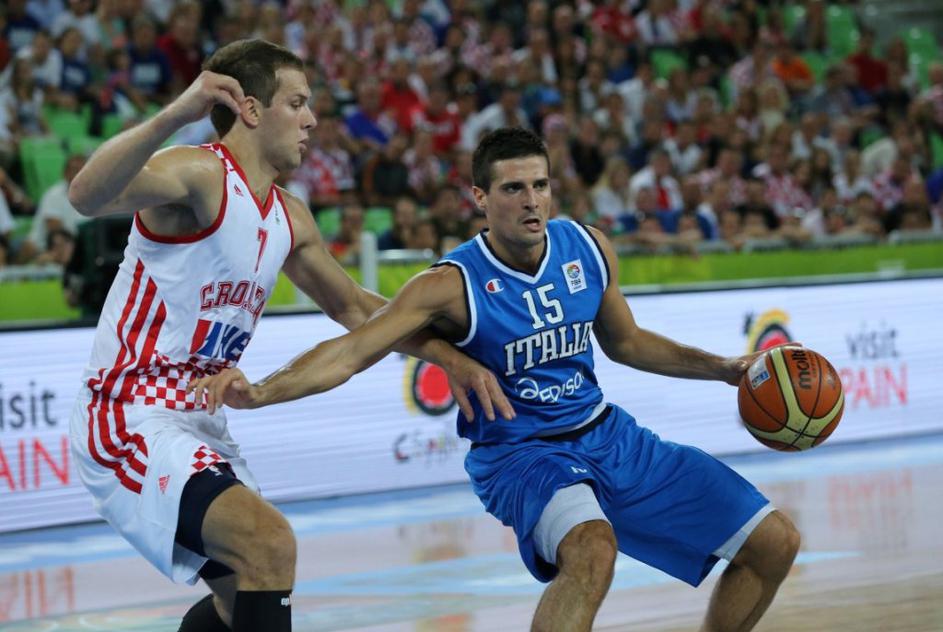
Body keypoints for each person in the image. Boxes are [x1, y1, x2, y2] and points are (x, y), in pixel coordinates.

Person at [189, 127, 801, 632]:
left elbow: (628, 342)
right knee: (592, 549)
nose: (532, 201)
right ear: (480, 197)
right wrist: (262, 390)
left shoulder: (588, 247)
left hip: (606, 434)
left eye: (541, 185)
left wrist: (724, 368)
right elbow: (352, 349)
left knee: (774, 542)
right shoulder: (447, 284)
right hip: (519, 453)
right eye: (513, 188)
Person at [65, 39, 511, 632]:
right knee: (269, 543)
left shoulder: (289, 215)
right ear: (251, 109)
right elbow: (85, 196)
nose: (312, 119)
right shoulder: (199, 173)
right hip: (130, 409)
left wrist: (446, 356)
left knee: (246, 590)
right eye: (297, 103)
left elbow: (354, 306)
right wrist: (176, 114)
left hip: (201, 416)